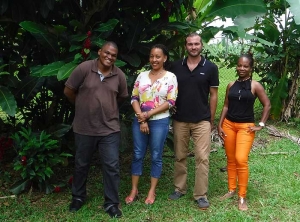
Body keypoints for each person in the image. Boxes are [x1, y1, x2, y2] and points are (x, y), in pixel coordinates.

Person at [64, 41, 128, 218]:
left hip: (109, 129)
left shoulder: (119, 75)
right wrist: (82, 105)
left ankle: (112, 204)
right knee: (81, 164)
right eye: (106, 53)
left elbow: (121, 97)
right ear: (100, 52)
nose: (109, 57)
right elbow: (69, 90)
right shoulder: (85, 68)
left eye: (113, 55)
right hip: (84, 127)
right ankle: (77, 198)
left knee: (112, 166)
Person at [168, 33, 219, 210]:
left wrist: (211, 119)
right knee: (180, 156)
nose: (193, 47)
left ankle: (200, 195)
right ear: (185, 46)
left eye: (196, 44)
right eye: (190, 44)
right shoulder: (175, 67)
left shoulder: (210, 67)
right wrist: (170, 105)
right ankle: (179, 188)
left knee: (202, 158)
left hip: (202, 120)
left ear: (201, 45)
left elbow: (213, 95)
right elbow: (168, 88)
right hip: (180, 119)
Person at [125, 44, 178, 205]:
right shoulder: (142, 76)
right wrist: (141, 118)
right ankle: (134, 189)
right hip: (140, 120)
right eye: (151, 56)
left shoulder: (170, 77)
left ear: (164, 58)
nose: (154, 59)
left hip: (159, 122)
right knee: (138, 154)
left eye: (158, 56)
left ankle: (151, 190)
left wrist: (147, 115)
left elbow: (171, 101)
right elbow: (134, 98)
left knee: (156, 156)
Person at [217, 53, 271, 211]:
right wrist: (219, 125)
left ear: (251, 68)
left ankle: (242, 196)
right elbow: (226, 106)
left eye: (245, 66)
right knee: (231, 159)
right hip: (228, 125)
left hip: (245, 127)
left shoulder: (255, 85)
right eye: (239, 65)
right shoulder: (230, 84)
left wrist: (260, 124)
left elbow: (267, 105)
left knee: (241, 159)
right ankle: (231, 189)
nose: (242, 68)